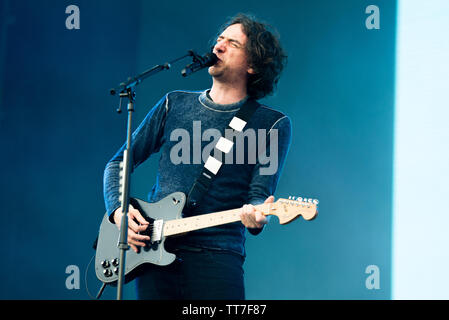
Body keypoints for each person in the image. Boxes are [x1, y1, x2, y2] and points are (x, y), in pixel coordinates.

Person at [103, 13, 291, 300]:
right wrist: (119, 212)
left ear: (252, 65)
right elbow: (118, 163)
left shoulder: (271, 124)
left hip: (217, 258)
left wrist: (256, 215)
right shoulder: (174, 103)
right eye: (219, 40)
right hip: (154, 255)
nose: (218, 47)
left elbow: (258, 195)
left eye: (232, 43)